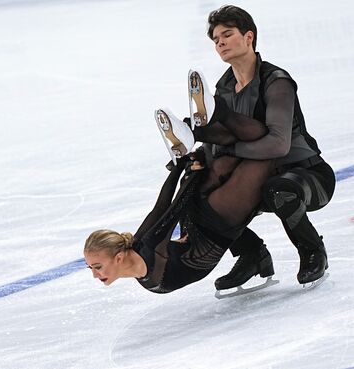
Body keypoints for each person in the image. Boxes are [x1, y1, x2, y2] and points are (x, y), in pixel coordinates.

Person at [194, 5, 335, 289]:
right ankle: (251, 255)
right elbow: (224, 138)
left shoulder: (276, 81)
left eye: (227, 34)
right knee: (197, 191)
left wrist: (230, 153)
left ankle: (312, 251)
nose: (219, 42)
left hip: (307, 176)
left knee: (278, 190)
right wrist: (199, 158)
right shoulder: (224, 87)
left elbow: (278, 144)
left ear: (249, 37)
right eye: (215, 38)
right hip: (261, 177)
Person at [83, 97, 274, 293]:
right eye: (91, 267)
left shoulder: (148, 249)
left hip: (217, 225)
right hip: (200, 224)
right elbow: (161, 209)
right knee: (232, 157)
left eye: (98, 266)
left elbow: (171, 210)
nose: (94, 275)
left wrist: (186, 172)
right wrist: (181, 169)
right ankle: (195, 132)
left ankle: (210, 118)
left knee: (262, 153)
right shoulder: (140, 247)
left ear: (119, 258)